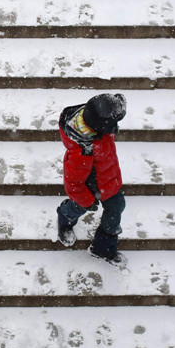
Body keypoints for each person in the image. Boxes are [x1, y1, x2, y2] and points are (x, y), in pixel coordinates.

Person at [55, 93, 128, 266]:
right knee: (78, 207)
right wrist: (86, 199)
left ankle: (102, 248)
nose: (115, 128)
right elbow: (73, 183)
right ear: (100, 125)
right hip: (88, 187)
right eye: (112, 124)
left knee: (116, 207)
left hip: (107, 178)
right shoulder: (81, 152)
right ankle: (64, 218)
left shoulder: (96, 124)